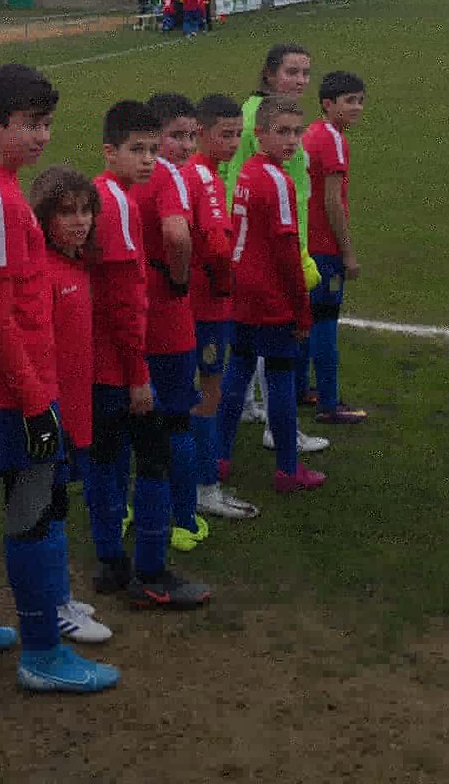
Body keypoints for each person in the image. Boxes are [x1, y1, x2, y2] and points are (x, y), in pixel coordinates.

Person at [0, 64, 119, 694]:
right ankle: (44, 652)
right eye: (30, 125)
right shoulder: (5, 204)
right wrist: (38, 399)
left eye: (47, 123)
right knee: (33, 515)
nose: (43, 137)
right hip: (15, 389)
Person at [84, 100, 210, 609]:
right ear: (109, 151)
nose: (149, 160)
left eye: (154, 151)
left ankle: (111, 565)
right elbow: (123, 299)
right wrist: (138, 374)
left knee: (104, 456)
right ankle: (152, 573)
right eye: (138, 150)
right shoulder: (117, 205)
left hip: (96, 362)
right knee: (152, 458)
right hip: (119, 366)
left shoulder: (102, 195)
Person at [225, 44, 330, 459]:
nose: (301, 80)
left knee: (247, 348)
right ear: (269, 75)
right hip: (271, 241)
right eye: (291, 72)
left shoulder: (263, 114)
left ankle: (252, 409)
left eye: (306, 72)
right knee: (276, 338)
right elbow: (250, 183)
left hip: (264, 236)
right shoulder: (260, 123)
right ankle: (277, 426)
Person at [29, 165, 113, 645]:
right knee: (49, 509)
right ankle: (54, 605)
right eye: (67, 212)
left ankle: (57, 594)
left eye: (86, 210)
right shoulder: (44, 271)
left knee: (59, 506)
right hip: (52, 415)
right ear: (44, 218)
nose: (80, 221)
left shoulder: (76, 265)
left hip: (75, 412)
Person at [180, 95, 259, 520]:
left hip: (190, 299)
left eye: (236, 134)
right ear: (203, 134)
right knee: (208, 392)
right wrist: (228, 284)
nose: (232, 143)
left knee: (191, 390)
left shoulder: (191, 172)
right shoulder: (206, 178)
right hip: (207, 303)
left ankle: (189, 479)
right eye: (224, 135)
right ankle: (203, 486)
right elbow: (214, 244)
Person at [136, 94, 208, 552]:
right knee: (177, 421)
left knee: (130, 423)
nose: (184, 146)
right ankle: (183, 521)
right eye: (176, 136)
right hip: (166, 316)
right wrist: (179, 280)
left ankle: (126, 511)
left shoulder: (114, 177)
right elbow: (177, 234)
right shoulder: (169, 178)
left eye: (190, 136)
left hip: (126, 318)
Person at [302, 71, 368, 425]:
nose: (357, 108)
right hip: (324, 247)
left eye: (360, 100)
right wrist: (348, 253)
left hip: (305, 244)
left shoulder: (313, 133)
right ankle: (329, 402)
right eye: (350, 101)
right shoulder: (333, 141)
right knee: (325, 323)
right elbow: (332, 202)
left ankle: (302, 388)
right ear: (328, 104)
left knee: (305, 319)